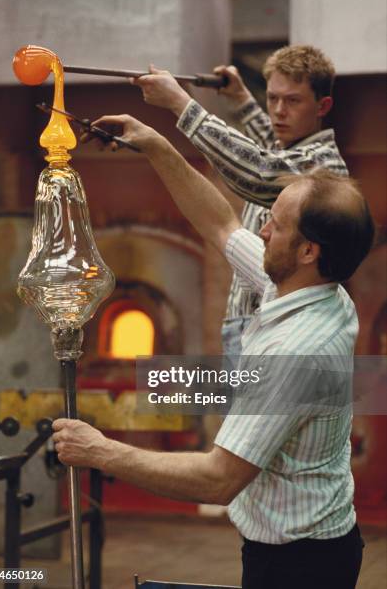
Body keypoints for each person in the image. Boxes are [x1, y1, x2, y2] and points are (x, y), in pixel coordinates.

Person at [53, 115, 374, 589]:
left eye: (276, 224)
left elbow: (218, 478)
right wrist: (158, 145)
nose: (262, 231)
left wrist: (100, 450)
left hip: (301, 567)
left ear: (309, 250)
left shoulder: (297, 351)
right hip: (304, 547)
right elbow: (220, 223)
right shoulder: (306, 286)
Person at [130, 45, 348, 356]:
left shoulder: (323, 167)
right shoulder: (290, 148)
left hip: (277, 327)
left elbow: (259, 171)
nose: (279, 110)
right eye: (273, 98)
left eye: (293, 101)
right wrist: (242, 98)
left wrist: (180, 103)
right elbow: (270, 148)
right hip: (245, 322)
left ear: (322, 105)